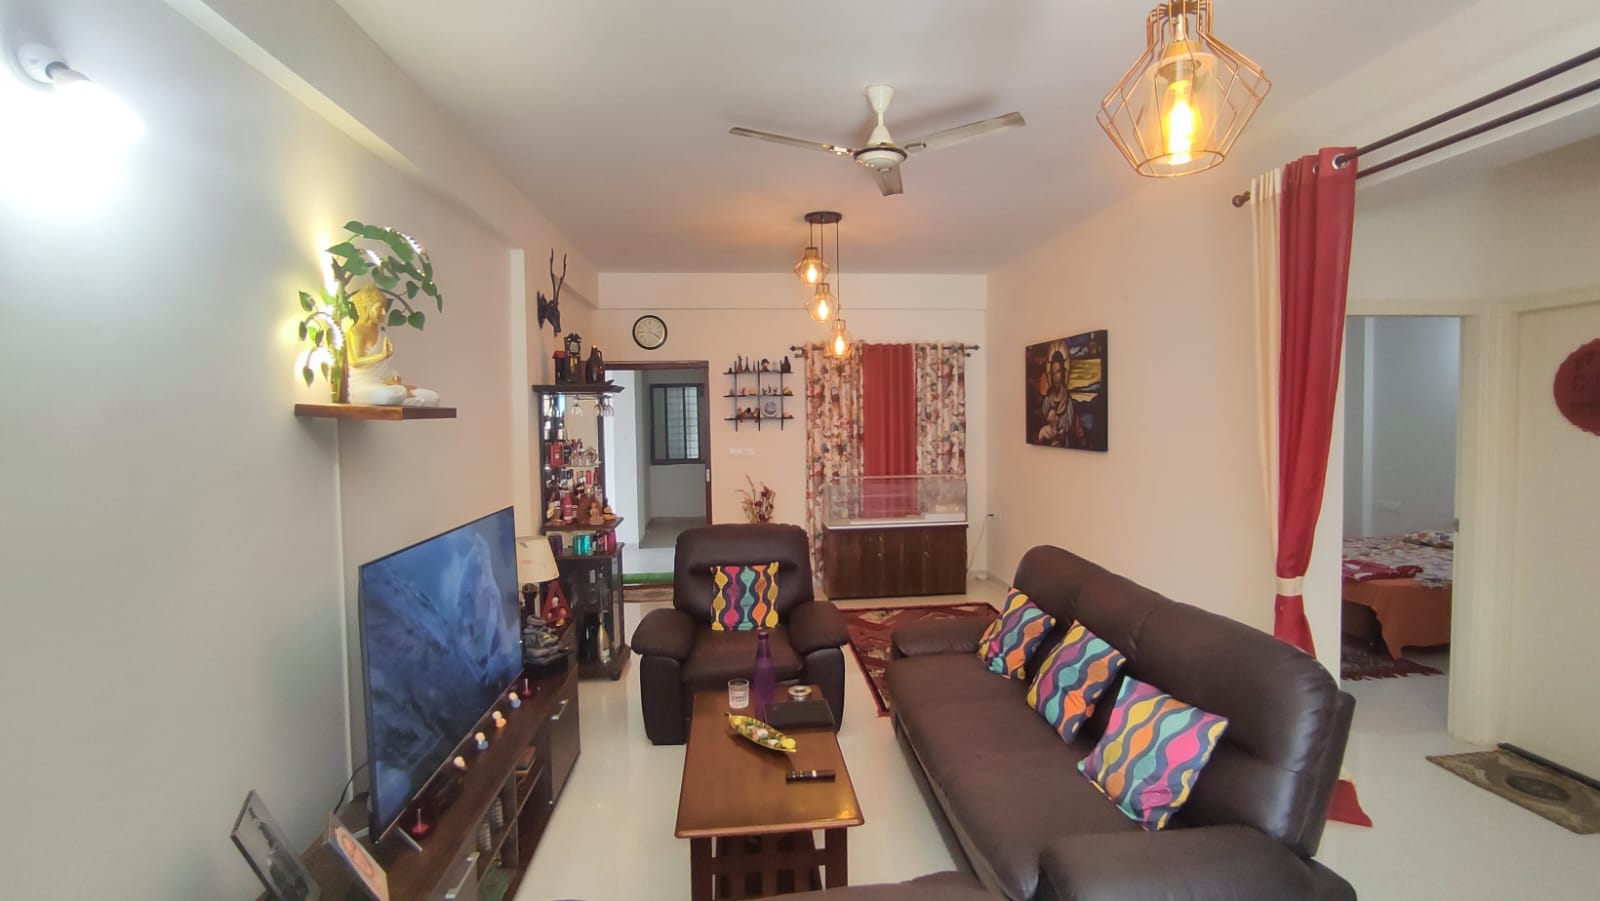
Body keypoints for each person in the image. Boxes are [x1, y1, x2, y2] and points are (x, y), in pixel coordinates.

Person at [346, 285, 440, 406]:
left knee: (433, 397)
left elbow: (385, 367)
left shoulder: (382, 334)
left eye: (384, 309)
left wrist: (394, 378)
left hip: (383, 385)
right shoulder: (356, 332)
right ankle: (404, 397)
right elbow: (355, 361)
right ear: (366, 308)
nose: (383, 313)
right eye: (379, 308)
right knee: (395, 394)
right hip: (363, 386)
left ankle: (404, 397)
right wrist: (381, 355)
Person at [1036, 348, 1079, 446]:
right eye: (1053, 373)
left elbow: (1071, 432)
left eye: (1058, 371)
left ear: (1063, 373)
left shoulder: (1068, 403)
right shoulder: (1047, 401)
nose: (1055, 377)